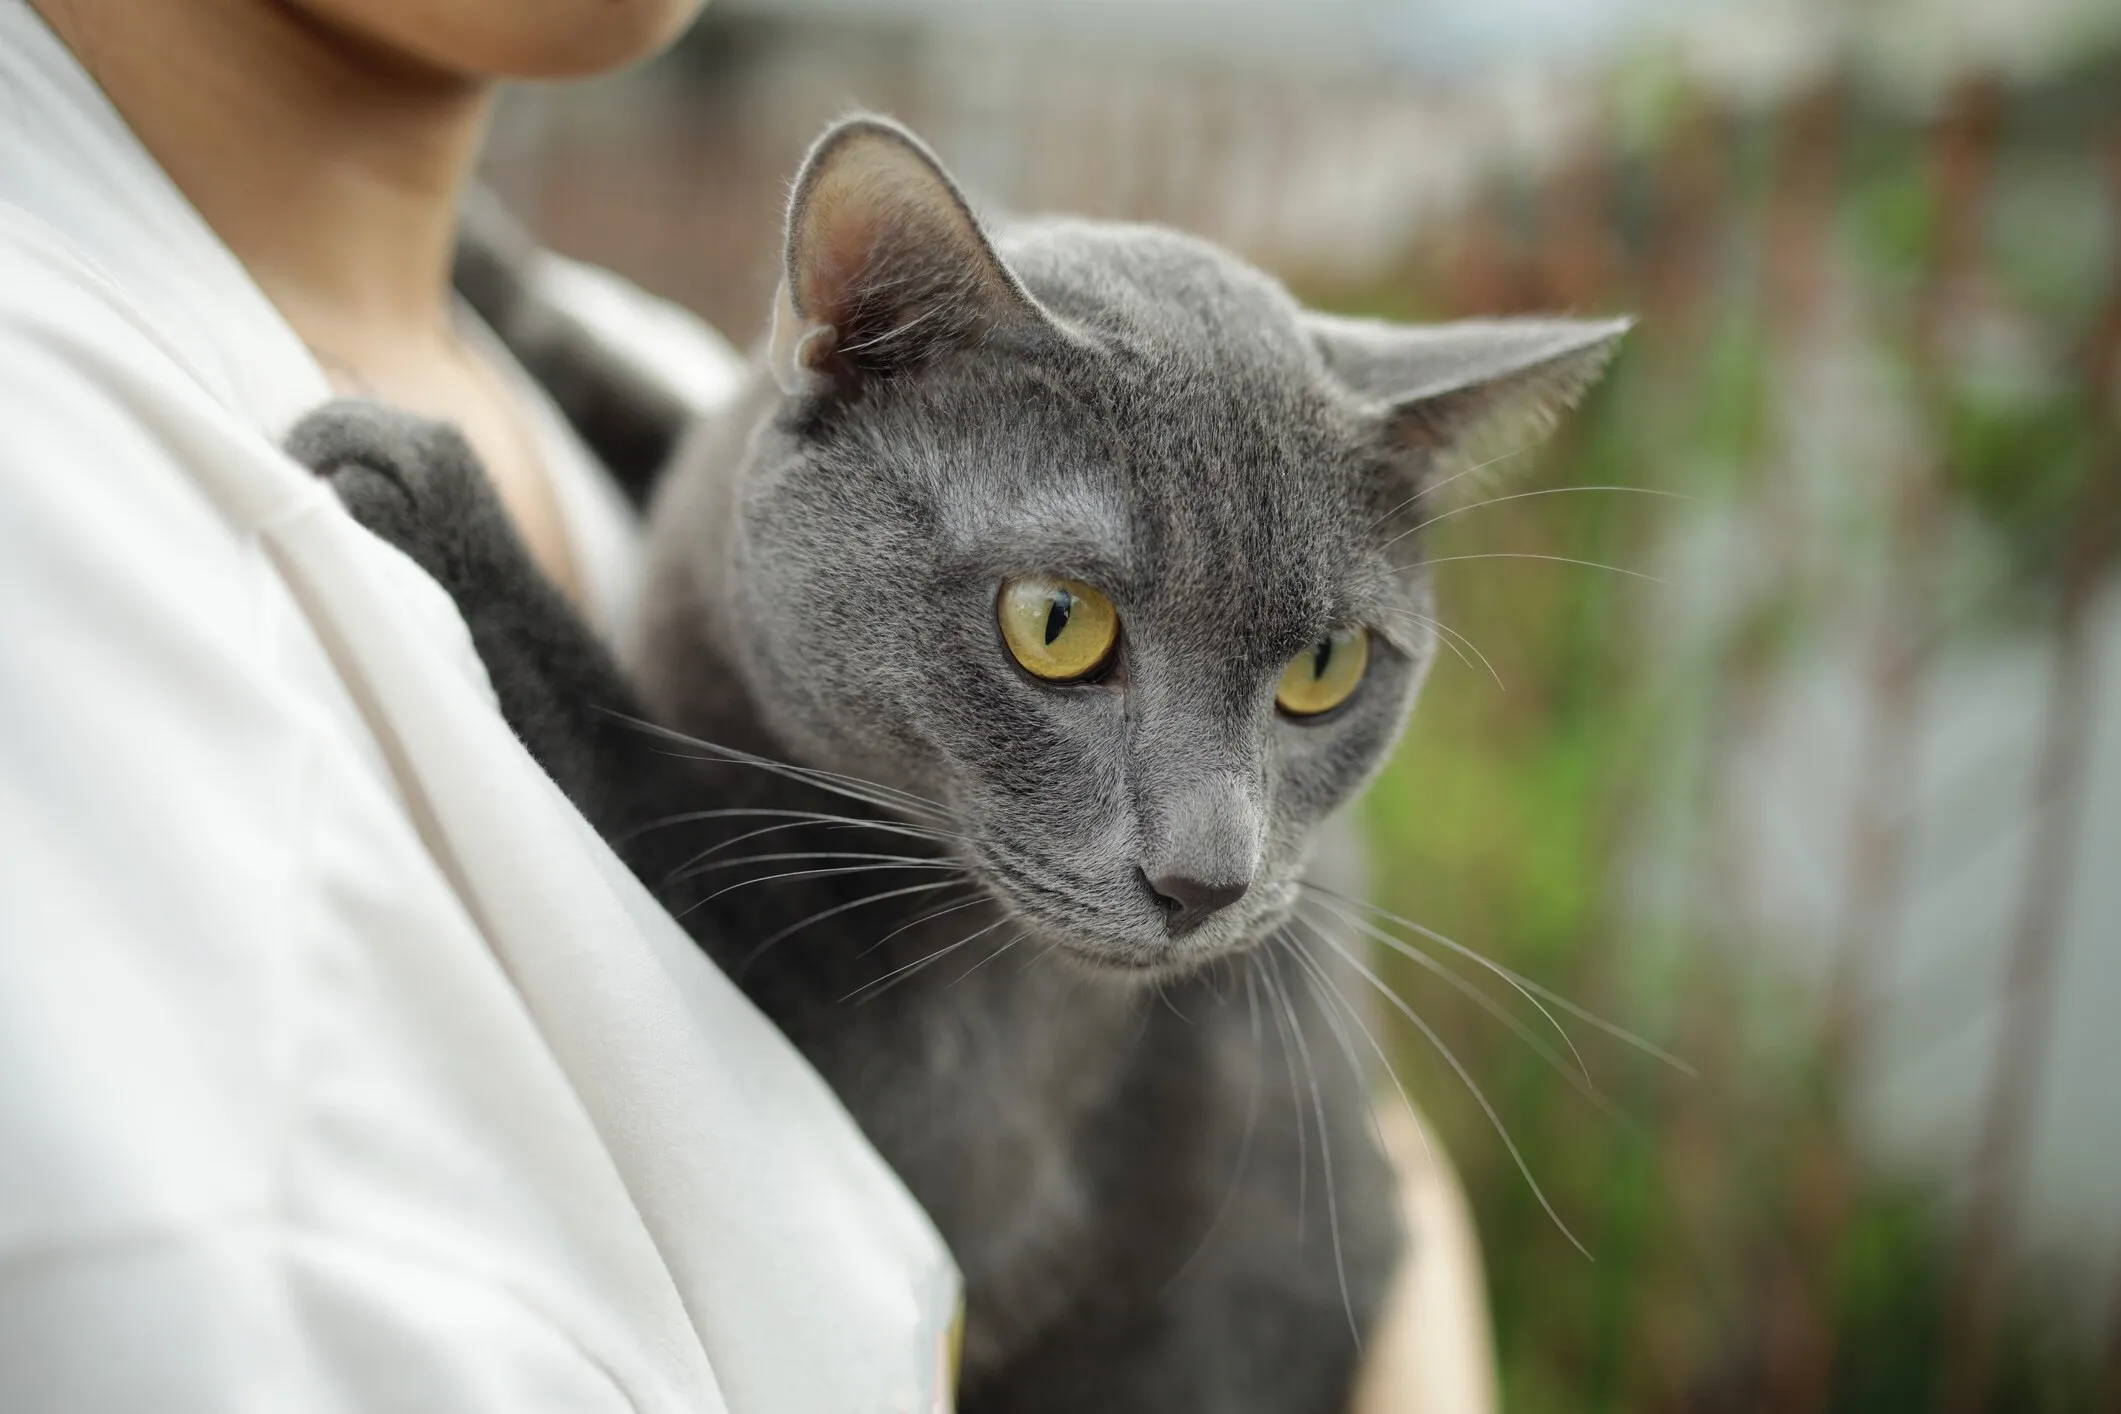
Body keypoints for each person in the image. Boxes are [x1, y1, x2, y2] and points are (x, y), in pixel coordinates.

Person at [0, 1, 1494, 1408]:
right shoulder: (63, 508)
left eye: (1319, 677)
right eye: (1061, 631)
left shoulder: (620, 345)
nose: (1208, 859)